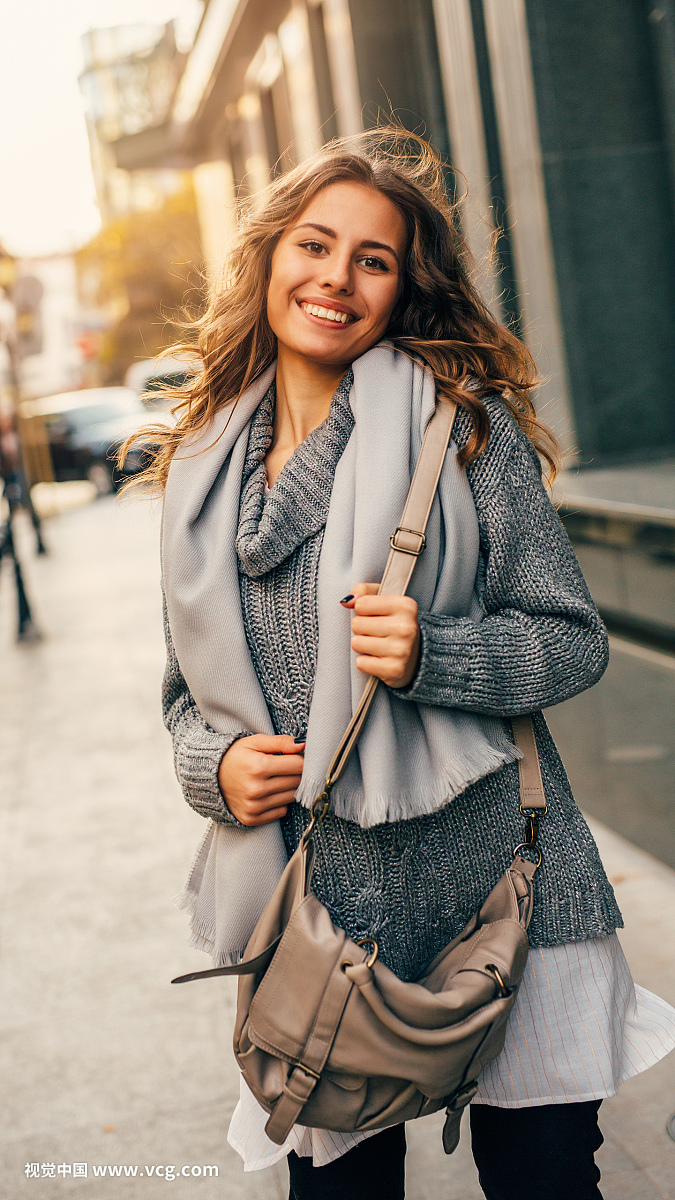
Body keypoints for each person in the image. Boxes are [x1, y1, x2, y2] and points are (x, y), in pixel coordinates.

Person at [135, 130, 675, 1199]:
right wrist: (218, 768)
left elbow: (574, 638)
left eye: (372, 260)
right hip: (317, 914)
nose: (336, 278)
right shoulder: (201, 470)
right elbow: (181, 702)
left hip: (508, 893)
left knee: (548, 1181)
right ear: (270, 257)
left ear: (401, 287)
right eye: (315, 246)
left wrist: (440, 653)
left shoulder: (461, 432)